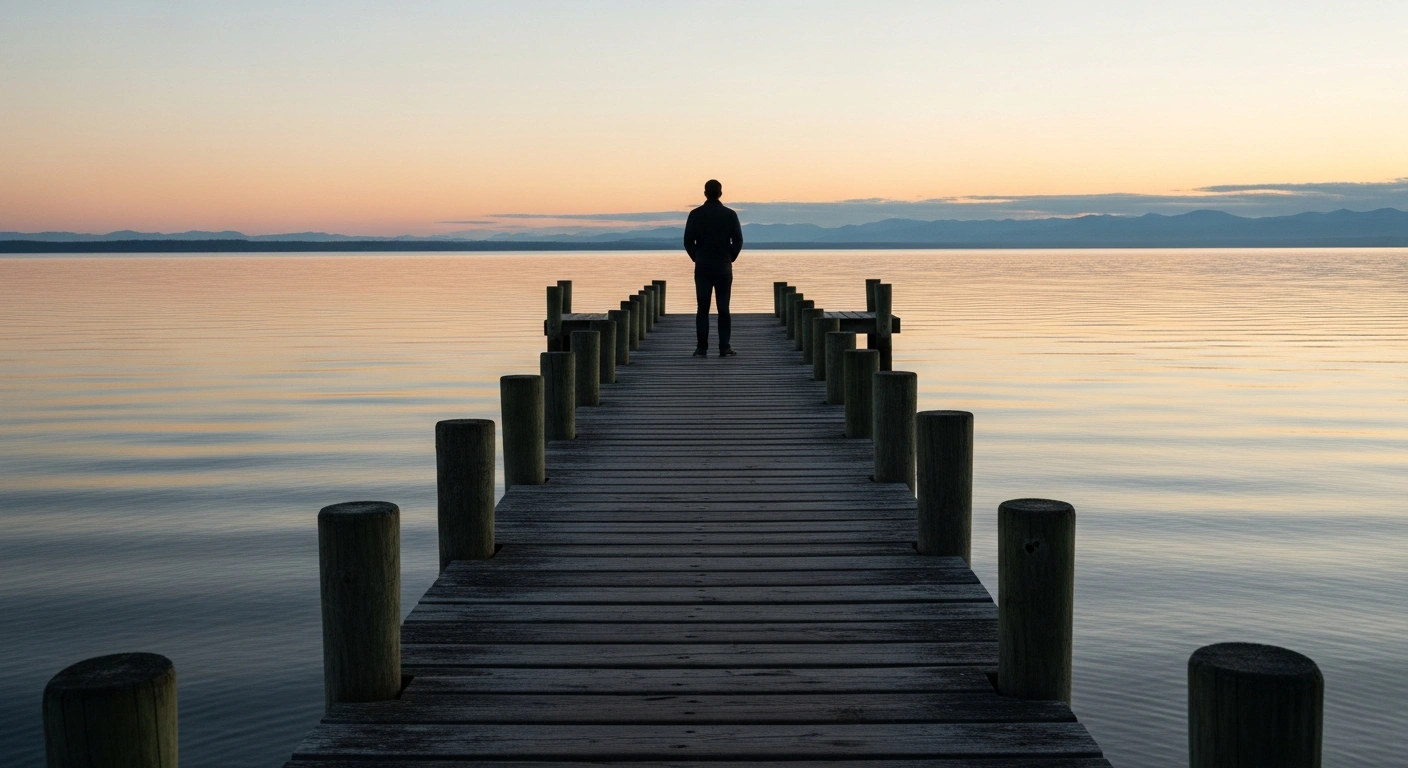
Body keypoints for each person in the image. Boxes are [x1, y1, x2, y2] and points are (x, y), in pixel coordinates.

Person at [683, 179, 743, 357]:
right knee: (723, 308)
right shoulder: (730, 214)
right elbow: (738, 241)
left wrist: (697, 257)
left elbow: (688, 242)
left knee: (702, 309)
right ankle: (724, 347)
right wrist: (729, 257)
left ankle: (702, 348)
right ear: (721, 193)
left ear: (704, 193)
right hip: (723, 268)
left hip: (702, 268)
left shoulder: (695, 214)